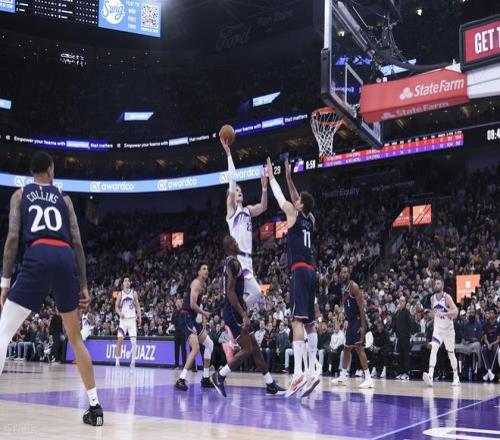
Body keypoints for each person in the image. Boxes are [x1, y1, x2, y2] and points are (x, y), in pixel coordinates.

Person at [0, 152, 103, 426]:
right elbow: (77, 242)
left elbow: (12, 238)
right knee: (75, 338)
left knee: (3, 332)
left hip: (38, 253)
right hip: (65, 256)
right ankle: (95, 407)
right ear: (50, 170)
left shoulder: (20, 195)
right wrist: (83, 284)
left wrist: (5, 282)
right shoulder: (64, 198)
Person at [266, 157, 320, 398]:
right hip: (311, 271)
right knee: (310, 323)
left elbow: (281, 198)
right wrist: (289, 178)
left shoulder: (293, 213)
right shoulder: (311, 219)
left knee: (297, 322)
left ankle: (298, 373)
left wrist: (273, 177)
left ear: (300, 205)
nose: (294, 201)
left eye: (297, 200)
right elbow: (298, 198)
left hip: (298, 270)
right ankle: (312, 372)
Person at [210, 236, 283, 397]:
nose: (238, 244)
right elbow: (230, 292)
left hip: (233, 309)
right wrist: (243, 314)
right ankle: (219, 376)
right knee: (247, 349)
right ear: (230, 246)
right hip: (233, 313)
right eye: (235, 243)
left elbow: (230, 290)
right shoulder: (234, 263)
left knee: (254, 347)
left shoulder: (229, 263)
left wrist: (241, 302)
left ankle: (270, 384)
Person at [221, 137, 268, 308]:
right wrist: (229, 154)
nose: (239, 191)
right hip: (238, 259)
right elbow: (232, 180)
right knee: (249, 293)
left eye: (240, 190)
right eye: (236, 191)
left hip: (248, 260)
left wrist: (264, 188)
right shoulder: (232, 211)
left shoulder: (247, 210)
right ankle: (238, 314)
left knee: (251, 294)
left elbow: (263, 207)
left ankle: (238, 315)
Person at [331, 266, 374, 388]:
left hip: (357, 320)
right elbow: (347, 305)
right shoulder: (343, 288)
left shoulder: (354, 286)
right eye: (342, 272)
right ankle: (343, 377)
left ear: (349, 274)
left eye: (345, 272)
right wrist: (341, 312)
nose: (343, 274)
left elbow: (361, 308)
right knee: (346, 349)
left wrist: (363, 327)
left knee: (359, 348)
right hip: (350, 322)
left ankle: (369, 378)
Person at [175, 263, 215, 391]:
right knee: (196, 347)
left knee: (209, 344)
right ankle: (181, 379)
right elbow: (192, 305)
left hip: (191, 319)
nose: (206, 270)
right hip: (185, 317)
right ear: (198, 272)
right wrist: (204, 313)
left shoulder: (203, 285)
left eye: (207, 268)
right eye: (203, 268)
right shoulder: (196, 283)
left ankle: (205, 378)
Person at [423, 278, 460, 387]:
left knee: (451, 354)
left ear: (442, 286)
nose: (436, 285)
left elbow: (456, 312)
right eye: (435, 283)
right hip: (438, 329)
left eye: (438, 283)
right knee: (434, 348)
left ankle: (456, 376)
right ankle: (430, 375)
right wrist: (431, 314)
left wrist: (445, 314)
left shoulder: (447, 297)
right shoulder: (432, 298)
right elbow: (435, 313)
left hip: (448, 329)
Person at [114, 276, 142, 368]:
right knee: (120, 340)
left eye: (128, 281)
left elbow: (138, 306)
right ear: (123, 283)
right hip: (123, 321)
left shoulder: (134, 293)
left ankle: (133, 361)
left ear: (130, 283)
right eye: (125, 281)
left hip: (132, 320)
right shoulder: (120, 294)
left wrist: (140, 317)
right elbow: (116, 307)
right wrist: (120, 313)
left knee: (134, 342)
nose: (127, 282)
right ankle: (117, 362)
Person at [394, 296, 413, 381]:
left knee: (405, 355)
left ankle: (406, 373)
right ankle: (400, 372)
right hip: (399, 337)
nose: (400, 302)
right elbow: (395, 324)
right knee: (400, 355)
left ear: (405, 302)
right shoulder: (397, 312)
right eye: (400, 301)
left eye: (402, 301)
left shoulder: (407, 312)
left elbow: (410, 324)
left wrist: (410, 335)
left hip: (405, 337)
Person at [481, 308, 499, 382]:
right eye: (489, 312)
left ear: (495, 314)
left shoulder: (498, 324)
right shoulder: (486, 324)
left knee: (495, 350)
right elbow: (485, 337)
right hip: (488, 342)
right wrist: (488, 344)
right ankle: (489, 371)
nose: (490, 314)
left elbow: (498, 339)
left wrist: (491, 344)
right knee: (483, 349)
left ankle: (489, 372)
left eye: (492, 313)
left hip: (495, 343)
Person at [172, 298, 187, 370]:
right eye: (177, 302)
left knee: (183, 349)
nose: (178, 303)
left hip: (183, 332)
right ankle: (176, 365)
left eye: (179, 302)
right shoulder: (174, 312)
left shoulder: (183, 311)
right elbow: (172, 321)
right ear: (175, 304)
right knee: (176, 349)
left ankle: (184, 365)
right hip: (176, 333)